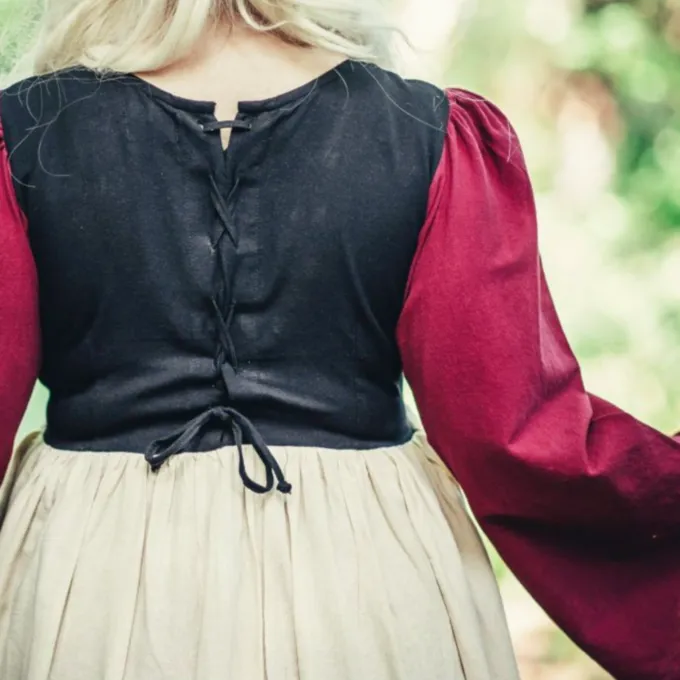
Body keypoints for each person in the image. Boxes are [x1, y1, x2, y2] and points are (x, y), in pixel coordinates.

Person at [0, 1, 678, 679]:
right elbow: (515, 438)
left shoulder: (26, 133)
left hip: (93, 574)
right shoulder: (422, 134)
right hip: (366, 572)